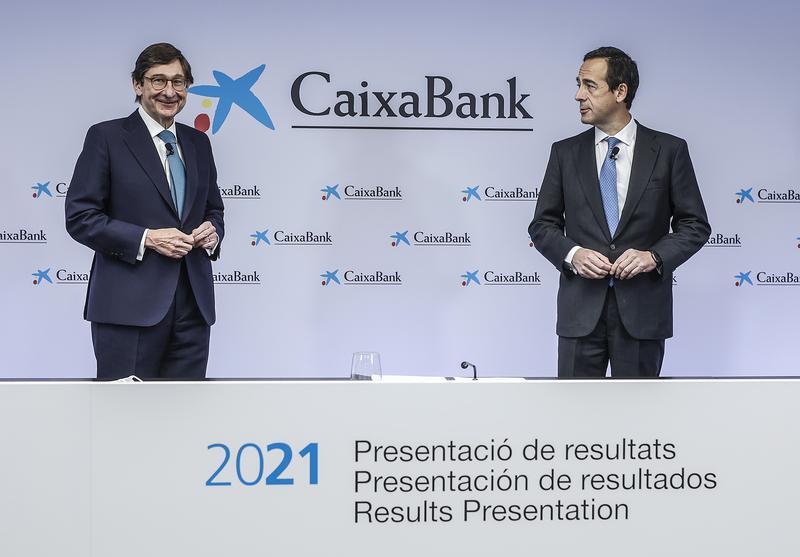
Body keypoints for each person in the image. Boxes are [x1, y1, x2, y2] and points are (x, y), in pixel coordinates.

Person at [528, 46, 710, 378]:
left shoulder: (669, 151)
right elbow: (542, 225)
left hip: (643, 314)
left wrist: (653, 257)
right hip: (579, 316)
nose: (578, 95)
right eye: (578, 85)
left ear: (620, 91)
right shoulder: (564, 153)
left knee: (639, 411)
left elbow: (694, 225)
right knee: (573, 410)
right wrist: (573, 254)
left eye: (589, 86)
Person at [65, 43, 224, 380]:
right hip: (127, 310)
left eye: (178, 82)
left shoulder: (199, 143)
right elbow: (81, 217)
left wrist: (213, 232)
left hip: (194, 309)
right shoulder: (106, 137)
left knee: (188, 411)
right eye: (158, 80)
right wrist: (147, 238)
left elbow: (214, 209)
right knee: (126, 412)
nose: (170, 91)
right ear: (138, 85)